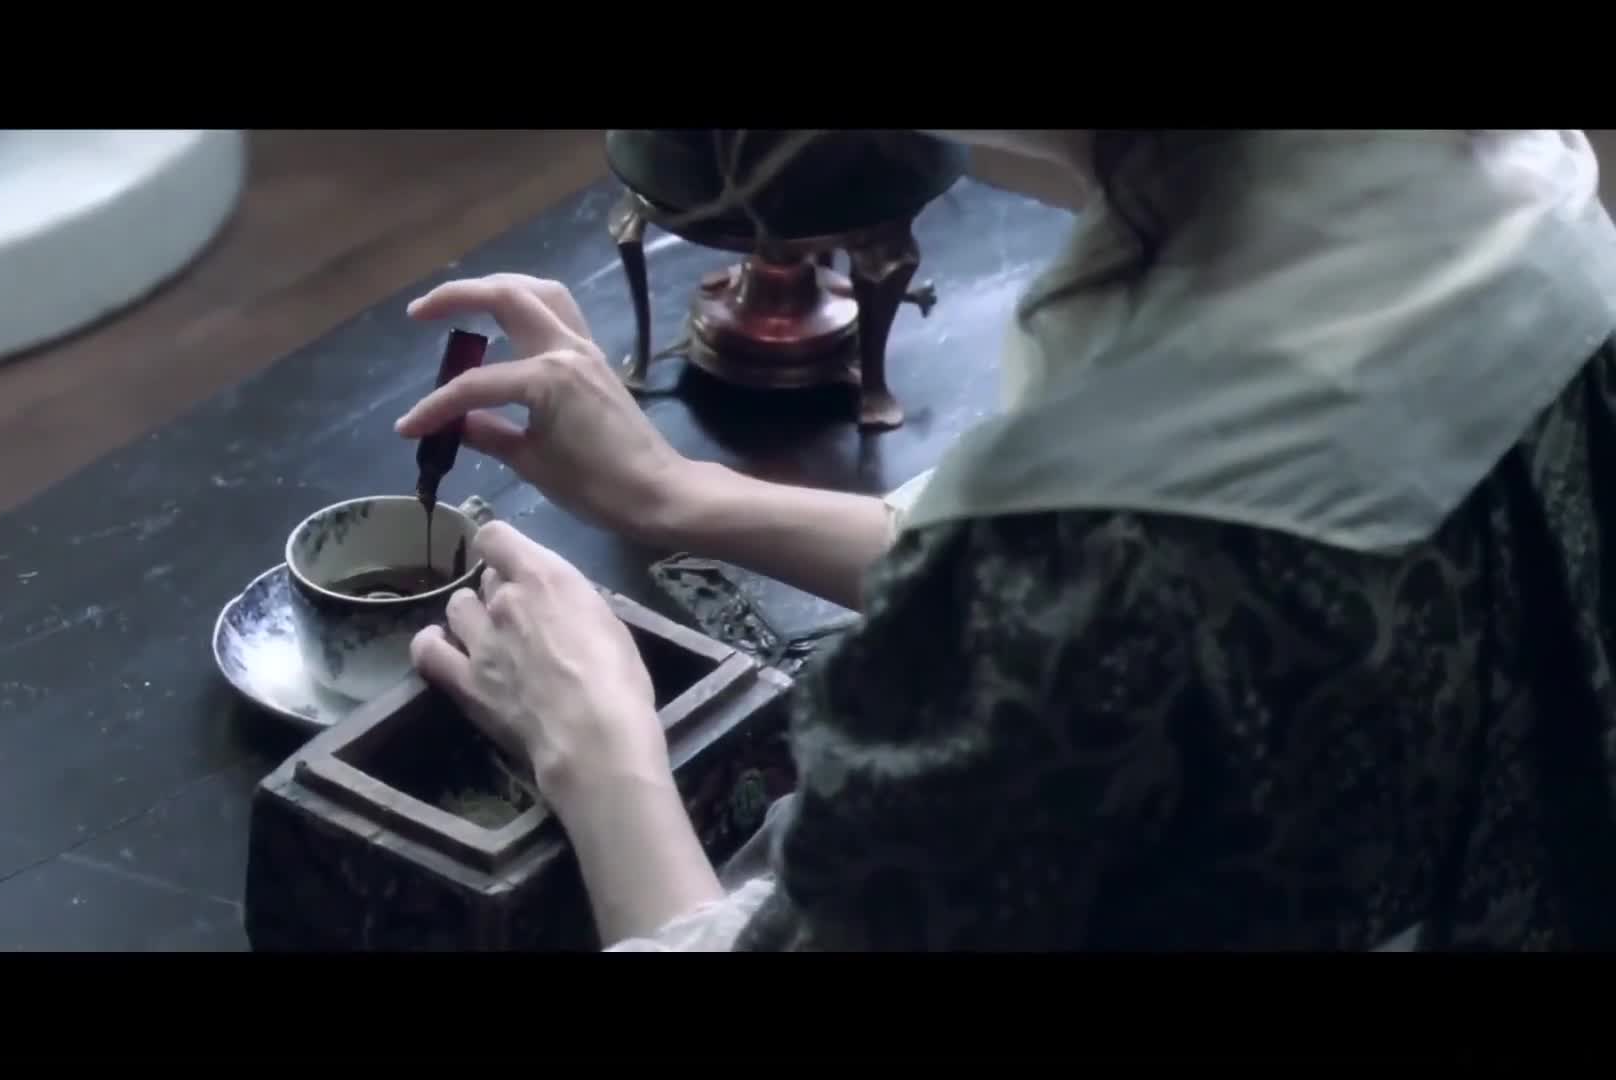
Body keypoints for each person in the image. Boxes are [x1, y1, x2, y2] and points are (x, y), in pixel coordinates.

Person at [393, 130, 1616, 951]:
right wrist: (680, 496)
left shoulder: (1096, 580)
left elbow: (1109, 591)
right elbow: (1261, 522)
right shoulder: (1524, 202)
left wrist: (598, 749)